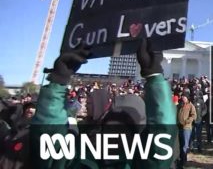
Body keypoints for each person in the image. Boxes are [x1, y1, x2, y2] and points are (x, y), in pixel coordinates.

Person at [22, 40, 177, 169]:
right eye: (111, 126)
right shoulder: (80, 156)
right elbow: (49, 140)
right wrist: (59, 79)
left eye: (125, 129)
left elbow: (162, 134)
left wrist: (155, 76)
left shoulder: (140, 163)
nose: (115, 134)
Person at [177, 90, 196, 167]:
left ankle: (183, 160)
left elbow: (193, 116)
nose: (183, 98)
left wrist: (186, 121)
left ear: (187, 97)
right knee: (180, 144)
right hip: (179, 127)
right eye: (182, 96)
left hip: (186, 128)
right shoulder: (180, 105)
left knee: (185, 145)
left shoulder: (191, 105)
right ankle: (180, 158)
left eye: (184, 96)